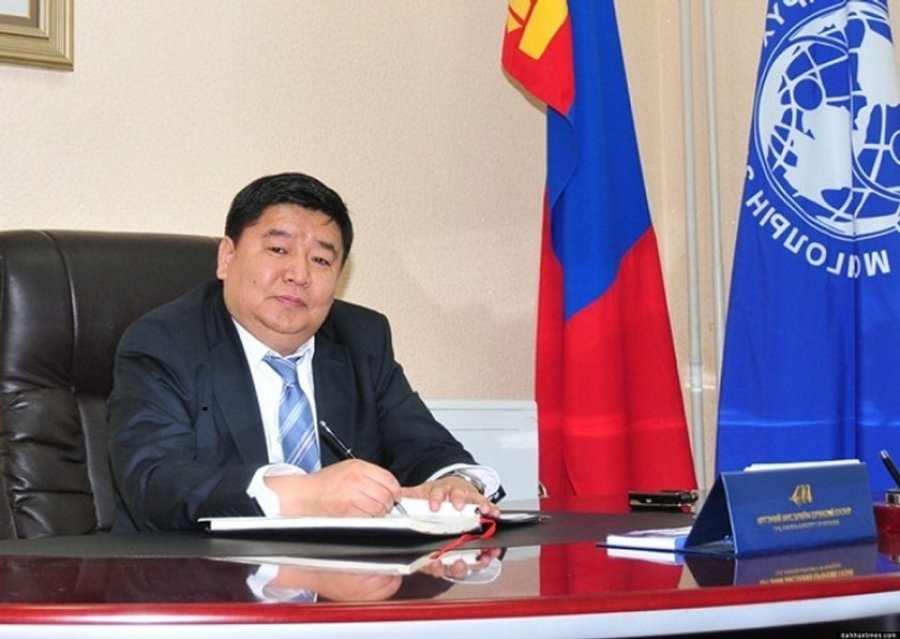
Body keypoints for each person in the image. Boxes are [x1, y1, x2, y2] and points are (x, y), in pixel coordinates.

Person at [109, 172, 501, 531]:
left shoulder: (361, 339)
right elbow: (154, 483)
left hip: (349, 576)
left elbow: (425, 445)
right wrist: (302, 494)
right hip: (208, 574)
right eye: (278, 249)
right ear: (227, 257)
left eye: (321, 259)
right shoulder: (165, 342)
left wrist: (453, 483)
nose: (299, 274)